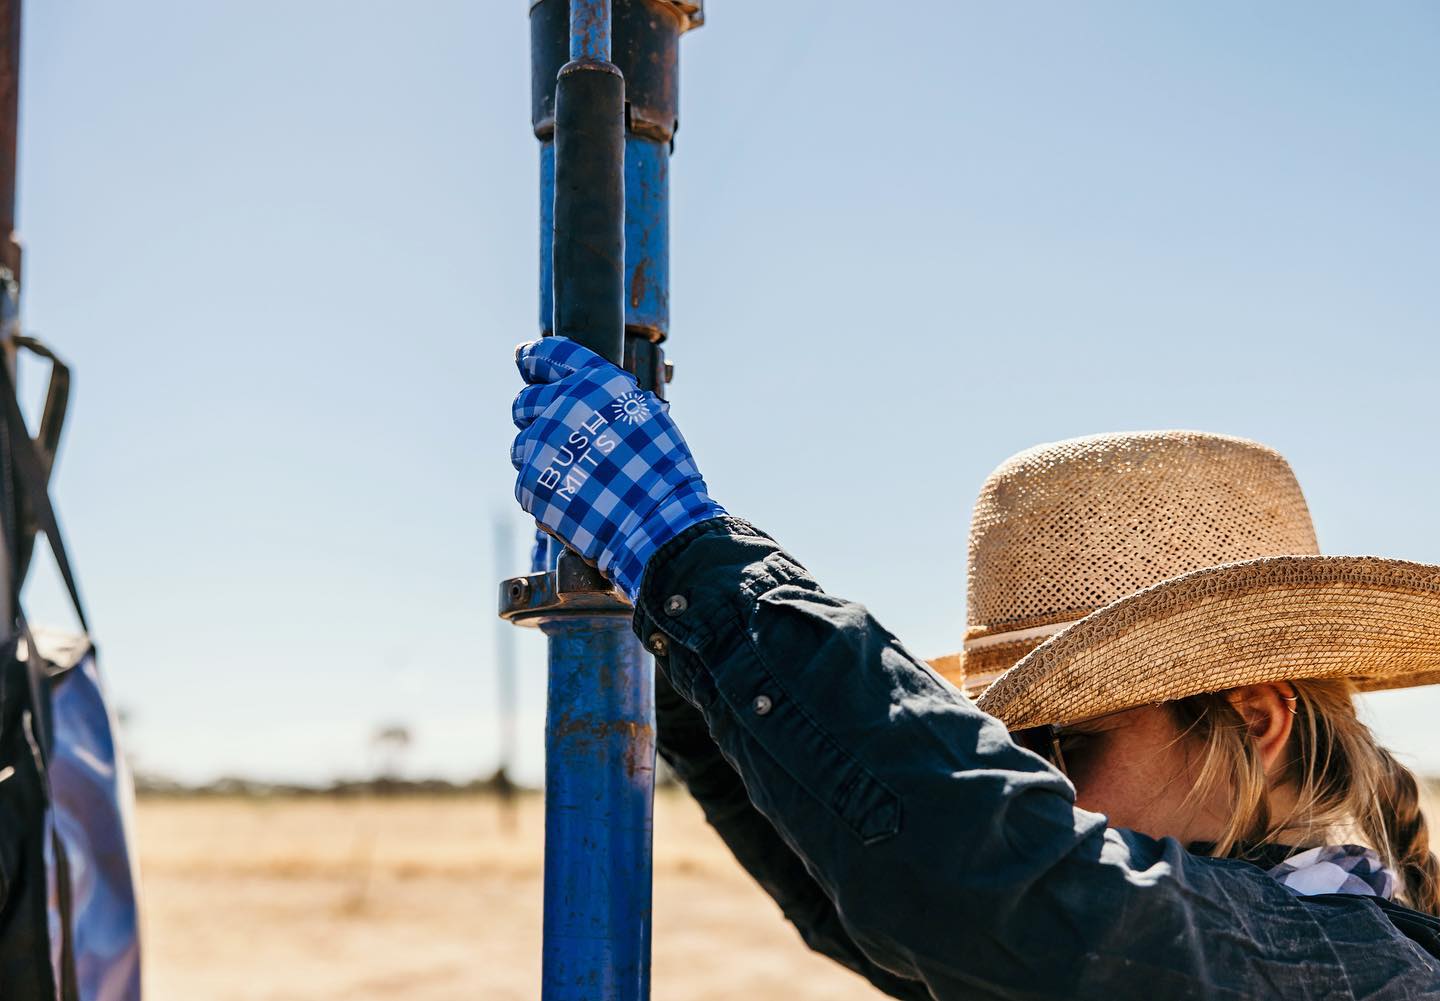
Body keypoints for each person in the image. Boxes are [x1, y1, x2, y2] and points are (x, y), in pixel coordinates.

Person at [509, 335, 1440, 999]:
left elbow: (997, 878)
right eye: (1012, 745)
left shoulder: (1353, 969)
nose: (1032, 783)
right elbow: (886, 885)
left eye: (1065, 744)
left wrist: (690, 560)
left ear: (1258, 718)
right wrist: (680, 664)